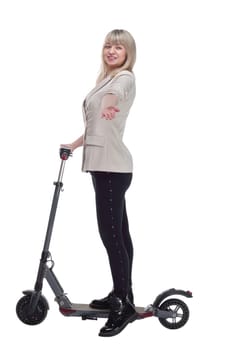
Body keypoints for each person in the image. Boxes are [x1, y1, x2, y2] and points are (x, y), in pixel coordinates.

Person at [61, 29, 137, 337]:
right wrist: (74, 144)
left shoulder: (123, 79)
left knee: (111, 236)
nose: (111, 50)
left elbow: (113, 97)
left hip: (111, 168)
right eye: (108, 45)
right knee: (120, 233)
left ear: (128, 52)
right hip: (107, 165)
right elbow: (96, 128)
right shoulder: (104, 79)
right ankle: (123, 293)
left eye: (118, 47)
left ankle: (124, 304)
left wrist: (108, 103)